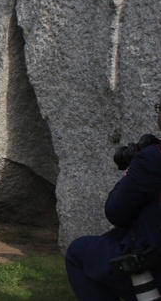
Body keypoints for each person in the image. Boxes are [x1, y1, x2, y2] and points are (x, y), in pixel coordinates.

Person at [65, 98, 161, 300]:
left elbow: (115, 212)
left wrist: (131, 171)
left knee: (77, 253)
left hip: (151, 266)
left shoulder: (152, 158)